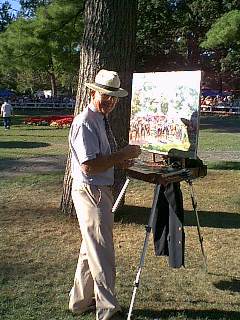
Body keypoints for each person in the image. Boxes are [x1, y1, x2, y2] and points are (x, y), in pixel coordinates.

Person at [68, 69, 141, 320]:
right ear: (93, 92)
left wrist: (118, 160)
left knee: (91, 250)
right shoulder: (86, 121)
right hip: (92, 191)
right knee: (102, 253)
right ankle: (108, 311)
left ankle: (79, 302)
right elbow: (88, 165)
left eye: (114, 97)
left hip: (97, 190)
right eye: (105, 95)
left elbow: (99, 159)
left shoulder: (100, 118)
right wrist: (122, 155)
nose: (110, 101)